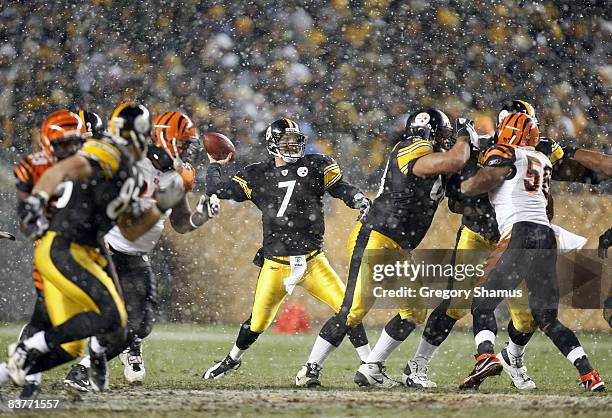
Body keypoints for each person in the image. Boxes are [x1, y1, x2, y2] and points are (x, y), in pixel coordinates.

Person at [2, 103, 185, 392]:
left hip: (87, 250)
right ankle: (33, 347)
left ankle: (10, 369)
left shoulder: (132, 173)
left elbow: (130, 228)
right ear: (138, 134)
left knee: (87, 339)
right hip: (65, 245)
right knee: (109, 316)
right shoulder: (110, 152)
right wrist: (37, 200)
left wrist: (161, 206)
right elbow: (65, 168)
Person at [297, 108, 476, 388]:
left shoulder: (437, 163)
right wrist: (465, 137)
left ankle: (372, 367)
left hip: (398, 246)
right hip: (377, 236)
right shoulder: (410, 147)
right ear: (426, 130)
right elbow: (455, 159)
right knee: (353, 310)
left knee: (414, 310)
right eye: (442, 133)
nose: (446, 139)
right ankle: (309, 369)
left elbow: (458, 200)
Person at [203, 118, 372, 381]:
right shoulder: (257, 174)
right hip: (276, 264)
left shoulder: (316, 165)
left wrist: (357, 198)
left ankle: (369, 364)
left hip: (313, 262)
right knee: (257, 323)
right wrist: (214, 166)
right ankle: (231, 359)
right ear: (272, 145)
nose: (292, 146)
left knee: (349, 310)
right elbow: (217, 188)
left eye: (296, 141)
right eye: (286, 142)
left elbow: (340, 188)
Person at [63, 110, 219, 391]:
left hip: (135, 255)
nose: (188, 150)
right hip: (106, 247)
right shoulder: (129, 163)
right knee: (115, 320)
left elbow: (181, 223)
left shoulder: (176, 175)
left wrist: (201, 215)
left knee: (141, 324)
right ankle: (76, 368)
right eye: (183, 143)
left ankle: (106, 353)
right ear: (164, 138)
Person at [459, 112, 605, 392]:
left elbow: (483, 182)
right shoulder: (542, 158)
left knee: (483, 300)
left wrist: (465, 184)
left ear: (509, 132)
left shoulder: (506, 151)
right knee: (547, 317)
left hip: (519, 232)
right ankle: (589, 373)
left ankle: (485, 356)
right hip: (546, 235)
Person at [12, 109, 90, 399]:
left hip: (87, 250)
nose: (70, 150)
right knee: (48, 314)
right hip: (54, 252)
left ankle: (25, 360)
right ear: (48, 143)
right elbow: (25, 223)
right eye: (63, 144)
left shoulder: (91, 164)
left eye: (75, 143)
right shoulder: (33, 167)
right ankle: (27, 369)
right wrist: (40, 219)